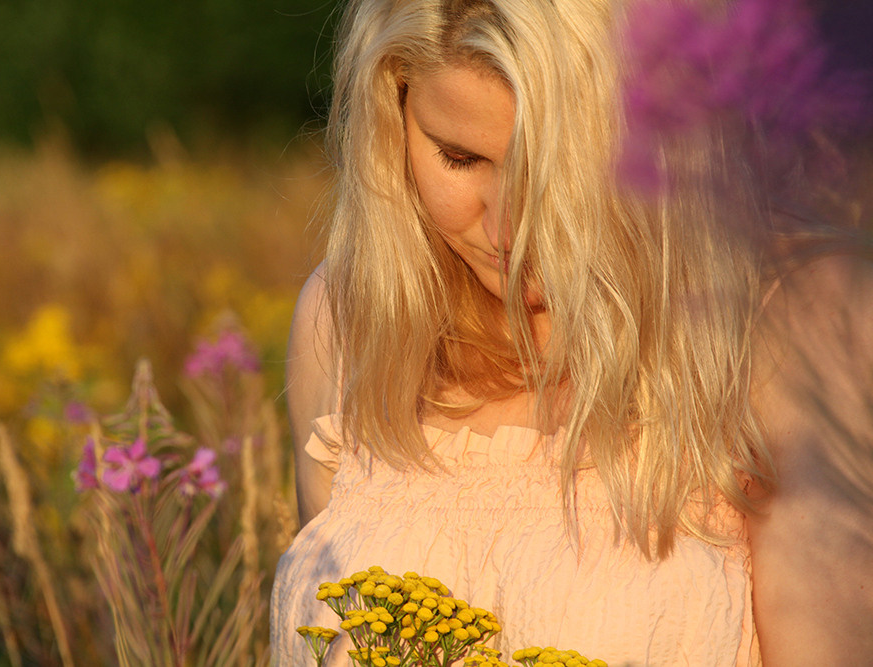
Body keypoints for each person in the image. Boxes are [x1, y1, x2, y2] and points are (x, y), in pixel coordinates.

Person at [270, 0, 873, 664]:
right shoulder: (348, 321)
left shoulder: (786, 325)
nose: (509, 229)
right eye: (461, 158)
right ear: (394, 117)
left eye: (558, 172)